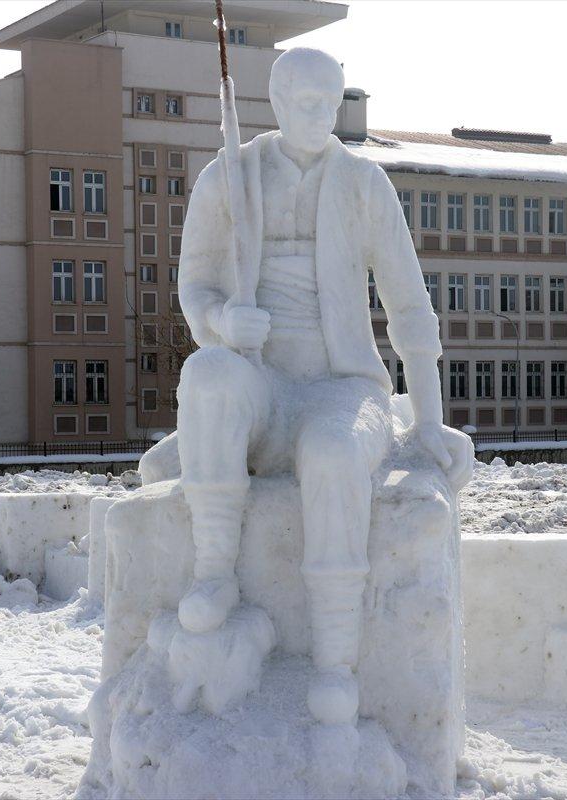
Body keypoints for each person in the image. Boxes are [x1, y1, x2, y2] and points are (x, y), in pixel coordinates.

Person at [175, 46, 472, 727]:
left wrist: (428, 420)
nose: (320, 116)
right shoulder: (229, 178)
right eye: (306, 102)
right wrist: (222, 321)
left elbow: (409, 306)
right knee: (207, 373)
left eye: (330, 103)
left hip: (341, 388)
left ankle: (335, 658)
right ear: (276, 102)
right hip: (261, 384)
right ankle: (213, 573)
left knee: (333, 453)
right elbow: (196, 286)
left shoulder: (364, 184)